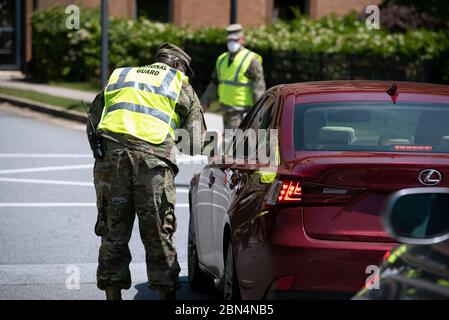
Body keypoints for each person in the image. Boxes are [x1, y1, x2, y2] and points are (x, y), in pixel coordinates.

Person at [86, 43, 207, 300]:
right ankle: (166, 295)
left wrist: (103, 153)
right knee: (157, 232)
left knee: (112, 231)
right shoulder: (179, 84)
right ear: (176, 65)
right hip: (152, 165)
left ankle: (112, 295)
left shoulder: (122, 75)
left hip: (111, 161)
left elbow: (94, 120)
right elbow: (194, 142)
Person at [201, 24, 266, 130]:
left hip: (243, 111)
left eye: (235, 40)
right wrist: (205, 103)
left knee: (237, 142)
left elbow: (258, 87)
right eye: (230, 40)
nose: (232, 43)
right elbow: (214, 84)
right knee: (231, 142)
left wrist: (260, 110)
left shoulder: (251, 59)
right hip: (226, 110)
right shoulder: (221, 59)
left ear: (242, 40)